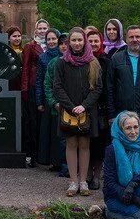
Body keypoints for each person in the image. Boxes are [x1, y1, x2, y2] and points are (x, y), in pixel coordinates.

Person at [52, 28, 103, 196]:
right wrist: (70, 106)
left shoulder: (93, 62)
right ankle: (73, 181)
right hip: (68, 110)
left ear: (84, 41)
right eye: (73, 40)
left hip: (87, 110)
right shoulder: (62, 62)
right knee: (71, 144)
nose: (77, 43)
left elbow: (97, 88)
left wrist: (84, 105)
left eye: (80, 40)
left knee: (84, 145)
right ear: (69, 43)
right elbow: (57, 87)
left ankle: (83, 181)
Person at [102, 111, 140, 219]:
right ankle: (109, 214)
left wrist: (133, 185)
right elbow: (109, 183)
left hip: (136, 190)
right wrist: (133, 198)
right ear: (120, 130)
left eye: (136, 127)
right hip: (115, 196)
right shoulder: (112, 149)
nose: (133, 132)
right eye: (128, 128)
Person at [86, 27, 111, 189]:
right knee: (86, 142)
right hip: (85, 107)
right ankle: (87, 173)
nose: (94, 44)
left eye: (96, 41)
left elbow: (109, 87)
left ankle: (96, 176)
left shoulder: (106, 60)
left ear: (101, 42)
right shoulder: (82, 60)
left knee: (99, 143)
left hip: (100, 108)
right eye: (91, 41)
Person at [21, 20, 48, 167]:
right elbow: (25, 68)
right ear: (36, 30)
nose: (43, 31)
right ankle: (31, 154)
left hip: (49, 87)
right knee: (33, 121)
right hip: (33, 86)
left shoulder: (53, 45)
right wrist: (24, 88)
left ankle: (45, 154)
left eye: (45, 28)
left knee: (46, 123)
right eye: (40, 28)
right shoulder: (30, 46)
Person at [35, 29, 62, 166]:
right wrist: (39, 101)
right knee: (50, 131)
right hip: (48, 97)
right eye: (49, 39)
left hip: (63, 98)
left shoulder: (64, 55)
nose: (51, 42)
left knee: (60, 131)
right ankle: (51, 161)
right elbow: (39, 80)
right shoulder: (43, 58)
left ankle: (61, 161)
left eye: (54, 39)